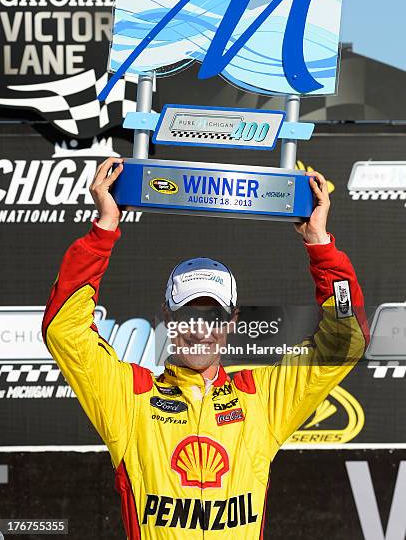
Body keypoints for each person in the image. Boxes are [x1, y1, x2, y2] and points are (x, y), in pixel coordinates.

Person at [42, 157, 369, 539]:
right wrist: (104, 230)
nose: (199, 331)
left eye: (213, 317)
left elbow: (346, 343)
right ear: (167, 317)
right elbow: (65, 330)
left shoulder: (260, 399)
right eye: (187, 315)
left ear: (230, 322)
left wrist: (320, 246)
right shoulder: (130, 399)